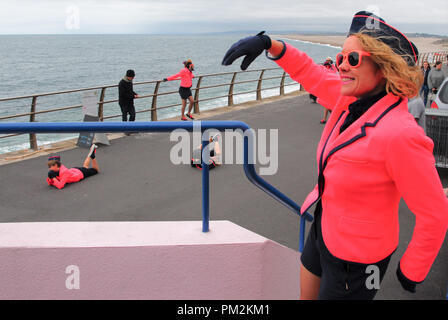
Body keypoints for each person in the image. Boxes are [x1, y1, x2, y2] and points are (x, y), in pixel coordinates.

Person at [222, 12, 448, 300]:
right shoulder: (347, 99)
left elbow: (434, 212)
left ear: (384, 68)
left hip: (360, 259)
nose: (341, 66)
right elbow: (310, 73)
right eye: (341, 58)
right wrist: (271, 44)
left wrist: (413, 268)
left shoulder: (402, 134)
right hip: (324, 229)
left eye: (352, 59)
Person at [320, 57, 337, 124]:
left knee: (329, 105)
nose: (327, 62)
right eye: (326, 60)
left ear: (331, 61)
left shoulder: (333, 67)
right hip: (325, 88)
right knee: (326, 104)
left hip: (332, 88)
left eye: (328, 60)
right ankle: (325, 119)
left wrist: (330, 67)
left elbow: (334, 74)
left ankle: (333, 118)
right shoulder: (324, 66)